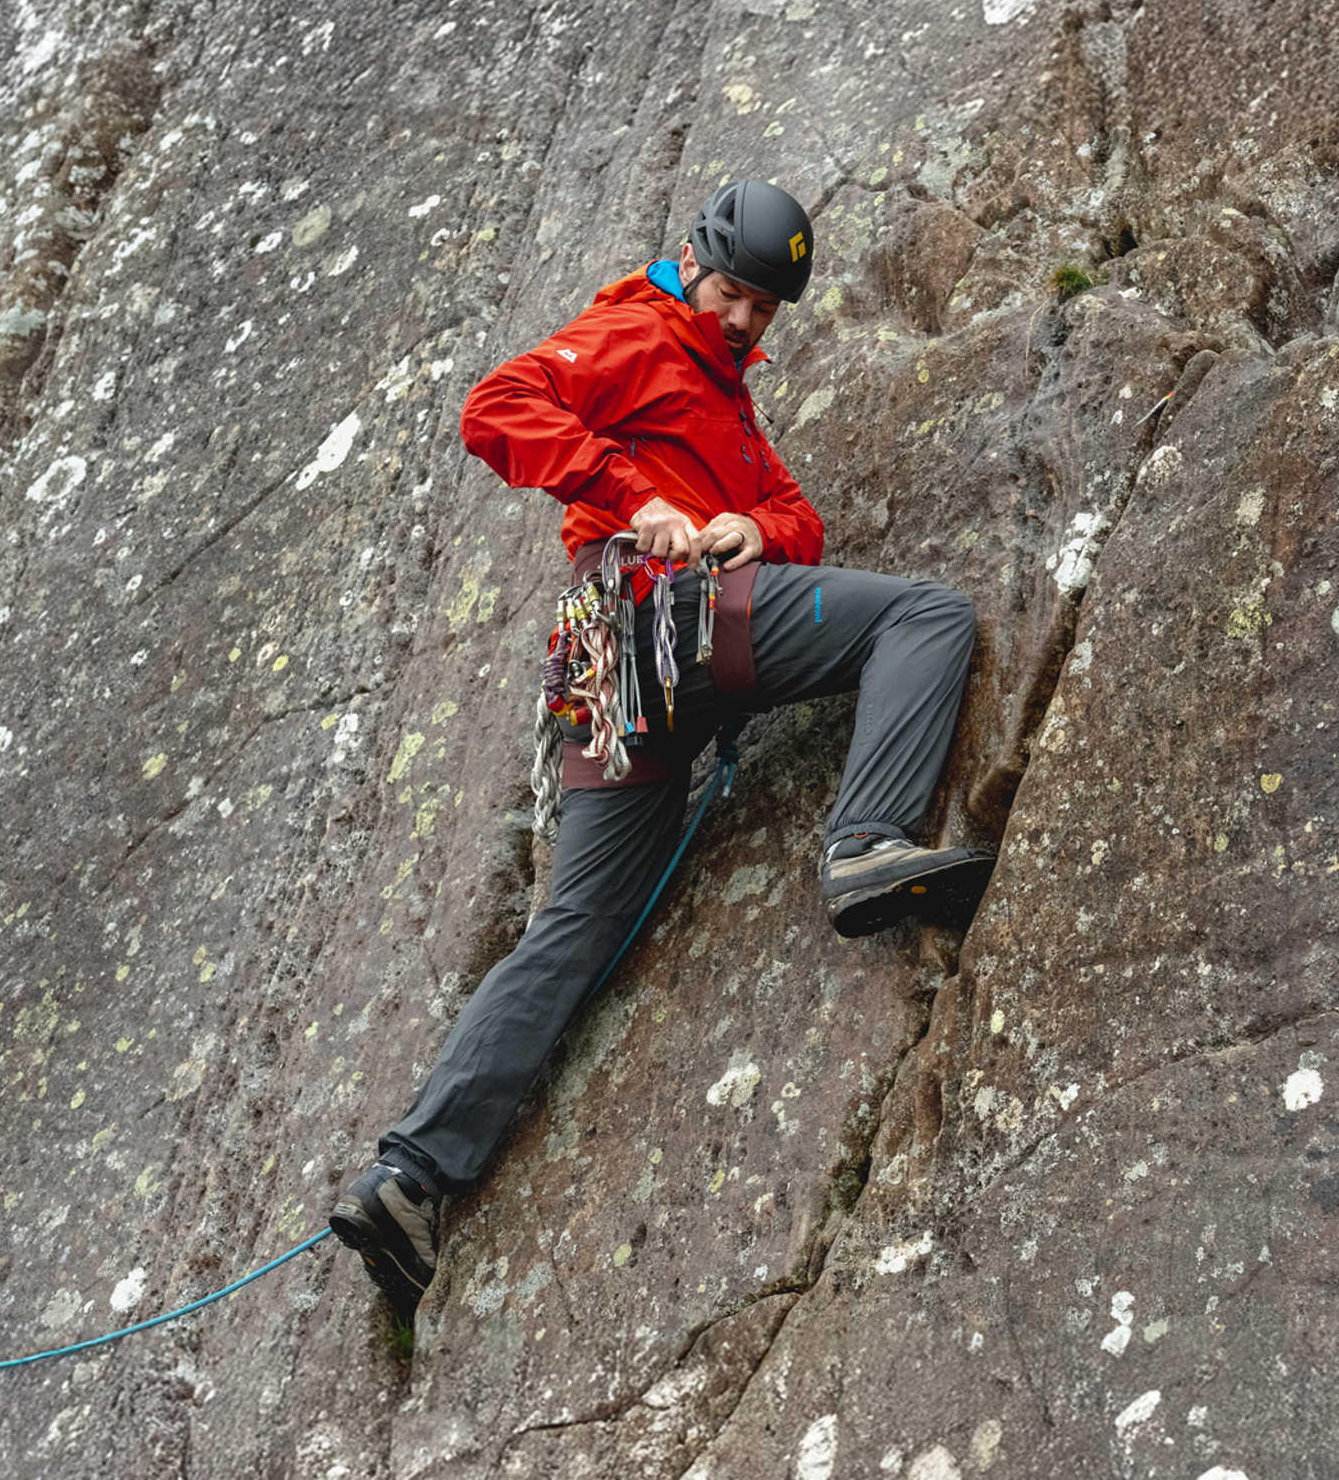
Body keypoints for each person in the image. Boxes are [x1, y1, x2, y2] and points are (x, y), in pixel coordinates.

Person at [329, 179, 996, 1317]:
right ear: (696, 262)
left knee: (579, 923)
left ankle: (412, 1176)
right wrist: (630, 493)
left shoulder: (730, 404)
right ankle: (867, 841)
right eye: (732, 293)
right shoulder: (637, 332)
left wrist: (752, 526)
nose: (743, 319)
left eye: (764, 308)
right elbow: (496, 404)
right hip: (657, 620)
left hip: (621, 675)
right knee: (926, 616)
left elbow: (799, 519)